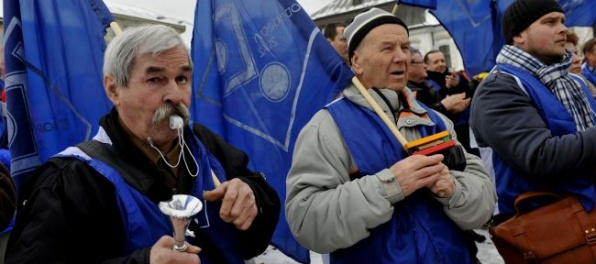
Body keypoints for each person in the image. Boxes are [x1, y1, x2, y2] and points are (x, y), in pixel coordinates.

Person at [5, 25, 280, 264]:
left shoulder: (203, 144)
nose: (175, 95)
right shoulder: (73, 180)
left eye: (182, 79)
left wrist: (253, 196)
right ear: (114, 89)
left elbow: (254, 238)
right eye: (155, 79)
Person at [285, 8, 495, 264]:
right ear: (357, 62)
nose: (401, 57)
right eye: (387, 48)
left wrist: (452, 190)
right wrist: (389, 186)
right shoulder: (327, 127)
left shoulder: (436, 120)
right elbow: (306, 222)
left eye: (405, 47)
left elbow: (484, 202)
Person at [471, 0, 596, 225]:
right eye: (550, 22)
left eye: (562, 21)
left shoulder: (574, 82)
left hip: (587, 208)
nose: (563, 29)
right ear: (518, 35)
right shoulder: (498, 88)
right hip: (548, 228)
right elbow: (540, 157)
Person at [407, 47, 470, 119]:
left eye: (443, 61)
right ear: (409, 67)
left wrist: (454, 109)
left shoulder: (427, 86)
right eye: (436, 62)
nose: (425, 66)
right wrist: (443, 106)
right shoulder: (406, 92)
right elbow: (420, 119)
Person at [566, 32, 596, 97]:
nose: (578, 59)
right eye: (566, 55)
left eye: (575, 53)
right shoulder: (583, 73)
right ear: (588, 54)